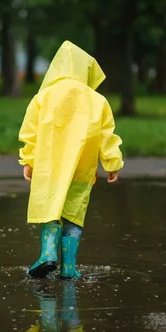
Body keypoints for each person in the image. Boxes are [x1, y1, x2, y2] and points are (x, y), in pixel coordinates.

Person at [18, 40, 124, 280]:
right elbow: (107, 135)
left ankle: (47, 254)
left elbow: (31, 132)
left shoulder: (43, 97)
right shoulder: (98, 101)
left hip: (49, 167)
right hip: (82, 169)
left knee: (50, 208)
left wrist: (28, 160)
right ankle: (68, 267)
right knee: (74, 212)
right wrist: (112, 162)